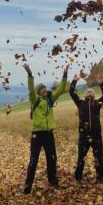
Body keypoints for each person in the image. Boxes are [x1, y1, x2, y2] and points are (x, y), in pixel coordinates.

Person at [22, 63, 69, 194]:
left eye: (44, 88)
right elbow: (31, 90)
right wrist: (30, 75)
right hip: (37, 134)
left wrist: (65, 75)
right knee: (33, 160)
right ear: (38, 92)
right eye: (41, 89)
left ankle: (53, 181)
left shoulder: (50, 100)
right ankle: (27, 186)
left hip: (49, 134)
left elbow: (60, 90)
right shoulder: (34, 99)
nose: (43, 90)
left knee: (52, 158)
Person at [69, 74, 103, 182]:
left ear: (94, 95)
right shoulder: (80, 103)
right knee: (81, 157)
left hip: (96, 135)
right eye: (88, 91)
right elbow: (71, 93)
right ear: (85, 94)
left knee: (98, 156)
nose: (89, 92)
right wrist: (74, 80)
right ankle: (78, 177)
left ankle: (100, 177)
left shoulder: (97, 103)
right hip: (84, 135)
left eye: (91, 91)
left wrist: (101, 83)